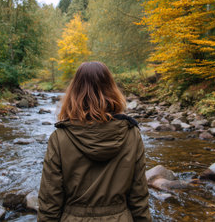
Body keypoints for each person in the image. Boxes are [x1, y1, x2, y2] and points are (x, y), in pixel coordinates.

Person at [37, 61, 152, 222]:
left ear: (74, 92)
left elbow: (50, 200)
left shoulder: (60, 137)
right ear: (111, 89)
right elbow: (139, 196)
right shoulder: (131, 133)